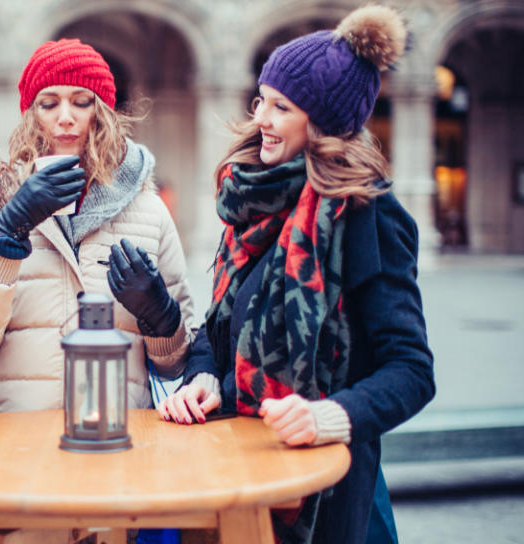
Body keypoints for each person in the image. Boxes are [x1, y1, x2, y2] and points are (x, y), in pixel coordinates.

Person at [157, 6, 435, 544]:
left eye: (281, 106)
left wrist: (327, 415)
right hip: (236, 475)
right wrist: (203, 378)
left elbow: (412, 370)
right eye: (261, 99)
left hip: (326, 492)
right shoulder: (251, 206)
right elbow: (217, 332)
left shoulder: (366, 215)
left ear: (324, 122)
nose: (261, 115)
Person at [0, 38, 195, 419]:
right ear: (29, 113)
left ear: (103, 112)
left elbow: (177, 364)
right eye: (49, 103)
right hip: (9, 446)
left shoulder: (148, 211)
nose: (65, 117)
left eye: (81, 101)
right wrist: (6, 237)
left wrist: (160, 316)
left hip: (118, 441)